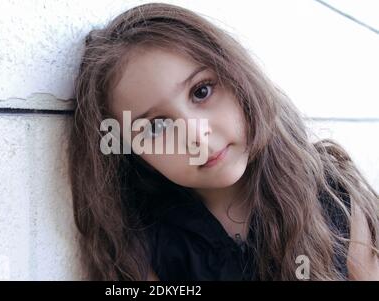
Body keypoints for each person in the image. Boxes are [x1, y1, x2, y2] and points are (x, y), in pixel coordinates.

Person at [68, 2, 379, 280]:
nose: (196, 137)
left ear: (239, 78)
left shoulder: (331, 194)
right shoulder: (146, 246)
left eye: (201, 91)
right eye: (155, 127)